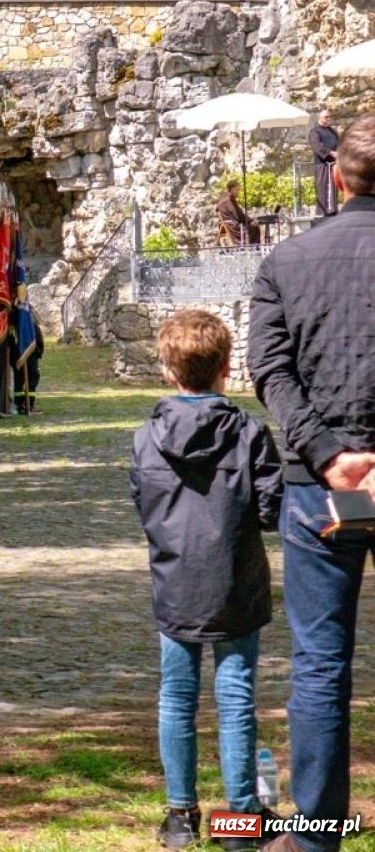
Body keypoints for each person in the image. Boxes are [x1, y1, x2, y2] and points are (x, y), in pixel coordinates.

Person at [249, 114, 375, 852]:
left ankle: (316, 833)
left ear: (338, 175)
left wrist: (330, 454)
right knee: (321, 661)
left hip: (317, 485)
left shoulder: (288, 261)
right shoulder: (285, 262)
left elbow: (271, 370)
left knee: (322, 663)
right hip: (328, 473)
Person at [132, 310, 282, 850]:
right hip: (234, 580)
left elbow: (144, 504)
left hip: (176, 581)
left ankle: (179, 816)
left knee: (177, 697)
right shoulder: (248, 434)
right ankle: (240, 819)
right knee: (235, 698)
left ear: (169, 370)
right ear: (225, 368)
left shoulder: (146, 437)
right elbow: (271, 509)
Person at [310, 111, 339, 218]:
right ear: (320, 118)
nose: (328, 119)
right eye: (326, 117)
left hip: (333, 165)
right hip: (322, 165)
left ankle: (333, 211)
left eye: (329, 117)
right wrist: (331, 153)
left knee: (333, 189)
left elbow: (338, 144)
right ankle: (322, 213)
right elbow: (317, 146)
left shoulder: (332, 132)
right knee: (322, 189)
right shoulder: (315, 132)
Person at [217, 180, 260, 246]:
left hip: (231, 224)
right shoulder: (229, 199)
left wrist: (249, 220)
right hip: (234, 227)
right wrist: (252, 220)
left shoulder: (224, 197)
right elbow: (239, 216)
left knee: (253, 225)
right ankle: (253, 249)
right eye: (237, 190)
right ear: (232, 189)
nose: (238, 192)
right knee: (255, 228)